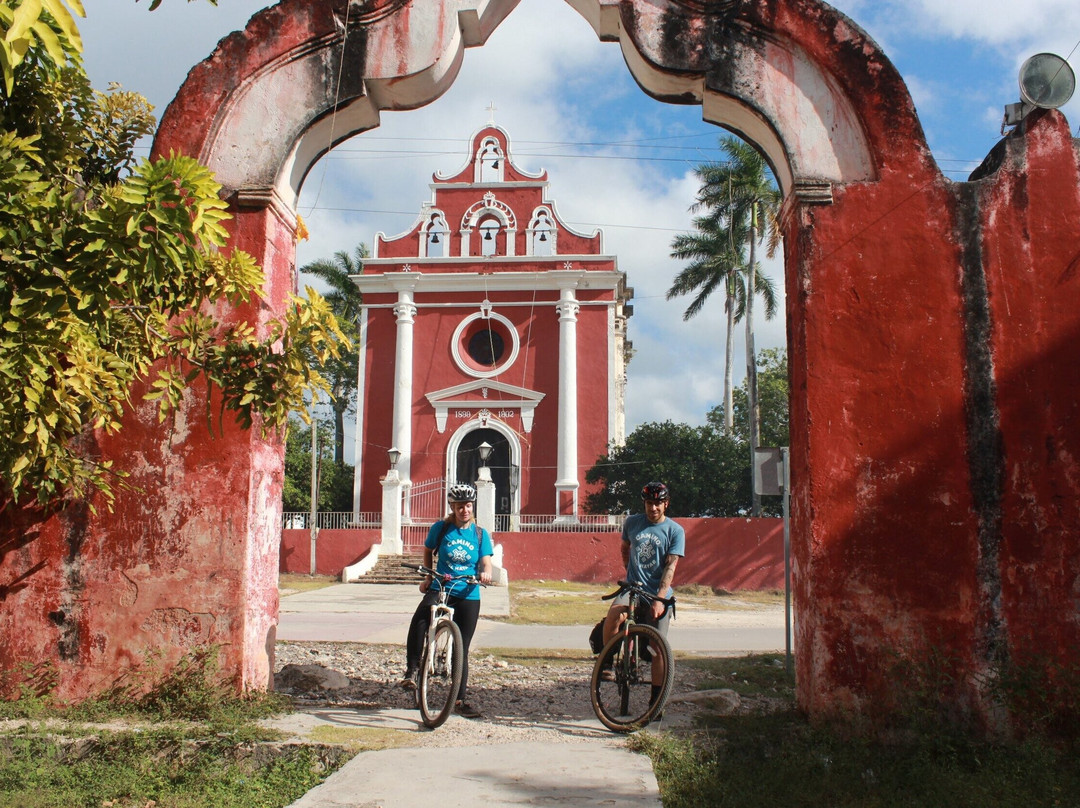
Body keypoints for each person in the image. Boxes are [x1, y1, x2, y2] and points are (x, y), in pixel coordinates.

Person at [401, 482, 493, 719]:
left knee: (462, 647)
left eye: (468, 505)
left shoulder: (480, 534)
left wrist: (486, 573)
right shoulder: (441, 528)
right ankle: (412, 670)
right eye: (460, 506)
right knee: (420, 619)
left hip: (468, 593)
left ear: (473, 507)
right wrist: (427, 575)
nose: (465, 510)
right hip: (441, 586)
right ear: (453, 507)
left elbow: (486, 561)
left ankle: (459, 699)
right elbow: (427, 549)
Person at [601, 480, 685, 708]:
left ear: (666, 504)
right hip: (633, 587)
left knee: (659, 648)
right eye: (649, 503)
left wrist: (660, 599)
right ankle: (607, 663)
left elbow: (671, 566)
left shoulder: (675, 531)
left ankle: (655, 701)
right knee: (613, 617)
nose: (653, 508)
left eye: (658, 504)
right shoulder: (633, 523)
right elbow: (624, 548)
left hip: (659, 592)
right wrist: (629, 572)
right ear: (644, 503)